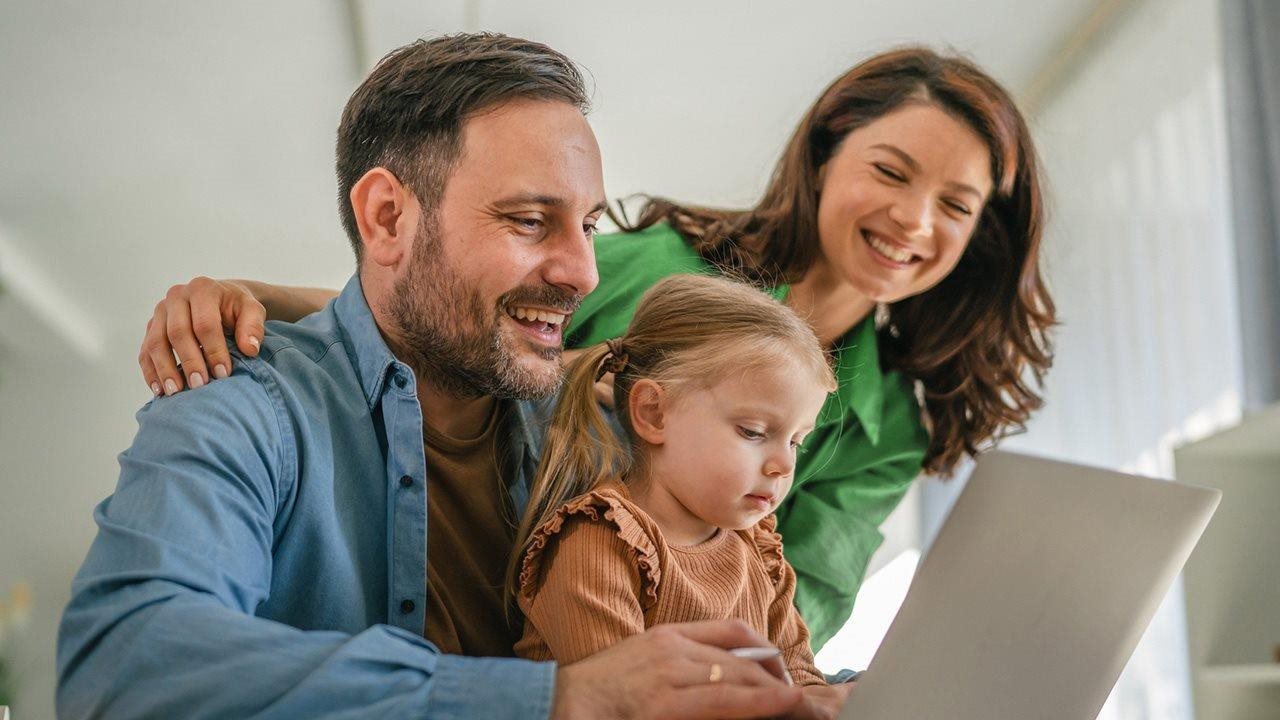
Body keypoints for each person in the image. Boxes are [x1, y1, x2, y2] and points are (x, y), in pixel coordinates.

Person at [137, 47, 1056, 649]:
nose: (912, 218)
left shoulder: (888, 420)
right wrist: (257, 298)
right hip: (514, 613)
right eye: (890, 172)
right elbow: (465, 316)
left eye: (956, 206)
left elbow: (798, 612)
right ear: (825, 157)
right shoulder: (658, 267)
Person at [58, 34, 813, 720]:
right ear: (387, 218)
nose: (582, 273)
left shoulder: (608, 431)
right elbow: (122, 668)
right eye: (528, 220)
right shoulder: (245, 407)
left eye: (586, 226)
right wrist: (565, 697)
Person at [510, 273, 854, 719]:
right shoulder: (596, 544)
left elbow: (801, 679)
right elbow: (625, 705)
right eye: (753, 432)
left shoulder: (758, 551)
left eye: (795, 441)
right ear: (654, 413)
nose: (784, 466)